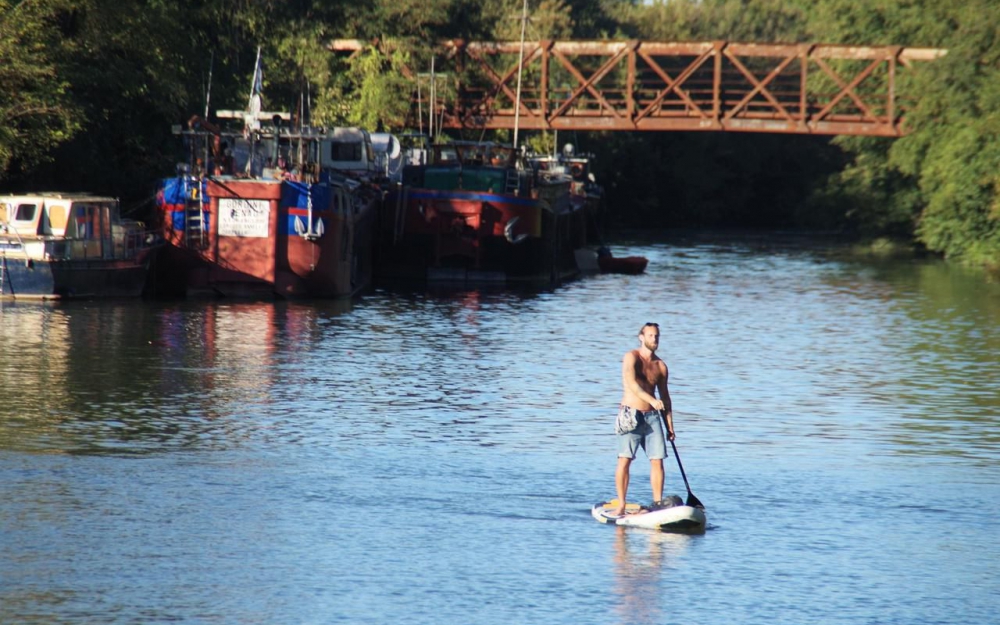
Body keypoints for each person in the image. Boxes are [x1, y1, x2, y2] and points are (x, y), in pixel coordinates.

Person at [612, 322, 674, 516]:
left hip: (653, 418)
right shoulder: (631, 358)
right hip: (631, 415)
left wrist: (670, 427)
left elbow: (665, 397)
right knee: (625, 460)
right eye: (650, 336)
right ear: (641, 337)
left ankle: (657, 504)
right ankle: (621, 505)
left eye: (656, 336)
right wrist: (652, 400)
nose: (654, 339)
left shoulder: (661, 366)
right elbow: (632, 385)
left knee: (658, 461)